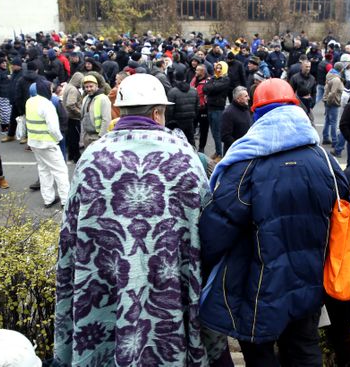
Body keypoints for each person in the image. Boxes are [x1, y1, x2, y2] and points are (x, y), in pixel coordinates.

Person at [54, 73, 231, 366]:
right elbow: (206, 231)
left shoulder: (92, 157)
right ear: (158, 112)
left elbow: (70, 236)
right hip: (169, 285)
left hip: (106, 284)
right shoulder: (184, 157)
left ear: (119, 111)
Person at [200, 78, 350, 366]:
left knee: (260, 353)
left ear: (257, 114)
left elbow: (216, 227)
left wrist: (203, 266)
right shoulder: (325, 160)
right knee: (304, 350)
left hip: (257, 286)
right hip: (311, 282)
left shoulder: (246, 162)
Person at [25, 79, 69, 208]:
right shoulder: (47, 104)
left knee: (44, 171)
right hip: (48, 143)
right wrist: (59, 138)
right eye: (50, 89)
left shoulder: (29, 102)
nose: (52, 92)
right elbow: (53, 128)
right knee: (60, 171)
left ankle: (48, 199)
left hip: (34, 142)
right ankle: (65, 200)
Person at [203, 61, 230, 160]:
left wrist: (211, 84)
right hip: (210, 107)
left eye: (220, 68)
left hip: (218, 108)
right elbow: (205, 89)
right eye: (217, 68)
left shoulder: (225, 80)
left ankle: (220, 154)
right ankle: (217, 151)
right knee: (214, 132)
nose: (218, 70)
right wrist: (211, 84)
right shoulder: (214, 78)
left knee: (217, 132)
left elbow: (212, 88)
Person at [166, 67, 199, 146]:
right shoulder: (193, 91)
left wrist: (169, 121)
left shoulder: (172, 92)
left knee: (177, 141)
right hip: (190, 120)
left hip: (176, 121)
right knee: (190, 139)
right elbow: (197, 106)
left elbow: (169, 109)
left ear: (175, 78)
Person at [80, 75, 111, 148]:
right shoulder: (86, 98)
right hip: (87, 136)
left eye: (91, 86)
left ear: (96, 86)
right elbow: (83, 118)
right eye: (86, 87)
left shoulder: (103, 99)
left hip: (97, 136)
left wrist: (101, 137)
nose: (89, 89)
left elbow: (106, 119)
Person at [220, 86, 251, 155]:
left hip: (246, 149)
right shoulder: (228, 113)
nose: (248, 98)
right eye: (246, 96)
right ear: (238, 99)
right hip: (234, 153)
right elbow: (225, 136)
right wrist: (239, 146)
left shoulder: (245, 108)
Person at [61, 71, 83, 163]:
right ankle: (76, 156)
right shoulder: (73, 89)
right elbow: (71, 104)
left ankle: (71, 156)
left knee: (70, 138)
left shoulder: (68, 87)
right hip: (73, 118)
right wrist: (80, 113)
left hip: (68, 117)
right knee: (75, 138)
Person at [322, 62, 344, 146]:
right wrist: (329, 102)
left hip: (328, 101)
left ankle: (325, 137)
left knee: (327, 120)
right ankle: (335, 141)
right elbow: (333, 92)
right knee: (334, 122)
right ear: (341, 69)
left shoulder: (330, 74)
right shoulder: (337, 79)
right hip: (333, 102)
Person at [191, 63, 210, 152]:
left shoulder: (207, 81)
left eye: (198, 70)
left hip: (203, 108)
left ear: (202, 72)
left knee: (204, 129)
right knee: (192, 127)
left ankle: (201, 148)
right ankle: (192, 146)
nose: (196, 71)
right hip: (194, 107)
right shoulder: (195, 79)